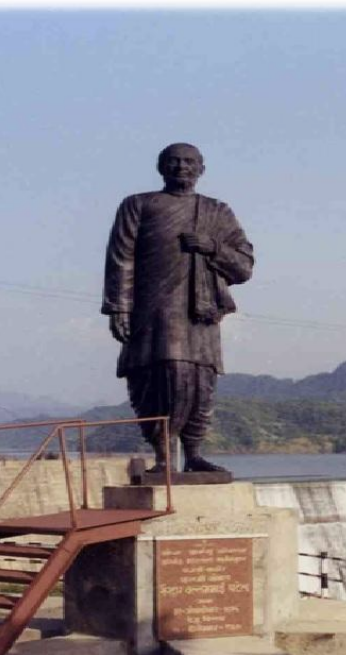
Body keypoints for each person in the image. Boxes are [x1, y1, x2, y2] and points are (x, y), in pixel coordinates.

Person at [102, 143, 254, 473]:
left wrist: (212, 247)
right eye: (174, 161)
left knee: (201, 378)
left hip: (201, 313)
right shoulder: (138, 205)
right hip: (153, 309)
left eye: (189, 162)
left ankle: (194, 454)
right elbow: (120, 258)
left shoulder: (218, 212)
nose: (181, 167)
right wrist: (118, 308)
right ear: (160, 167)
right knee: (160, 375)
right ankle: (162, 457)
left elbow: (244, 266)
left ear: (201, 168)